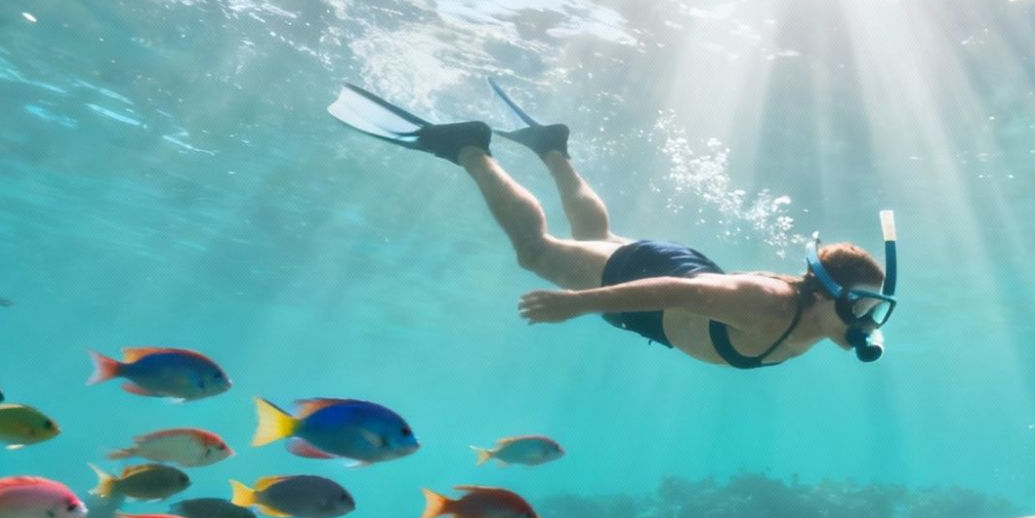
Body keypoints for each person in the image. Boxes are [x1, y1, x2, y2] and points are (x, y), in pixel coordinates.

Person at [329, 82, 900, 369]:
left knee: (593, 240)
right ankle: (468, 148)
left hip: (667, 286)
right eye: (858, 306)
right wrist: (577, 304)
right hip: (656, 285)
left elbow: (692, 293)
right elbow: (678, 290)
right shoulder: (768, 304)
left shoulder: (820, 322)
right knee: (537, 252)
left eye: (872, 310)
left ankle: (552, 147)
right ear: (824, 294)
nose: (864, 322)